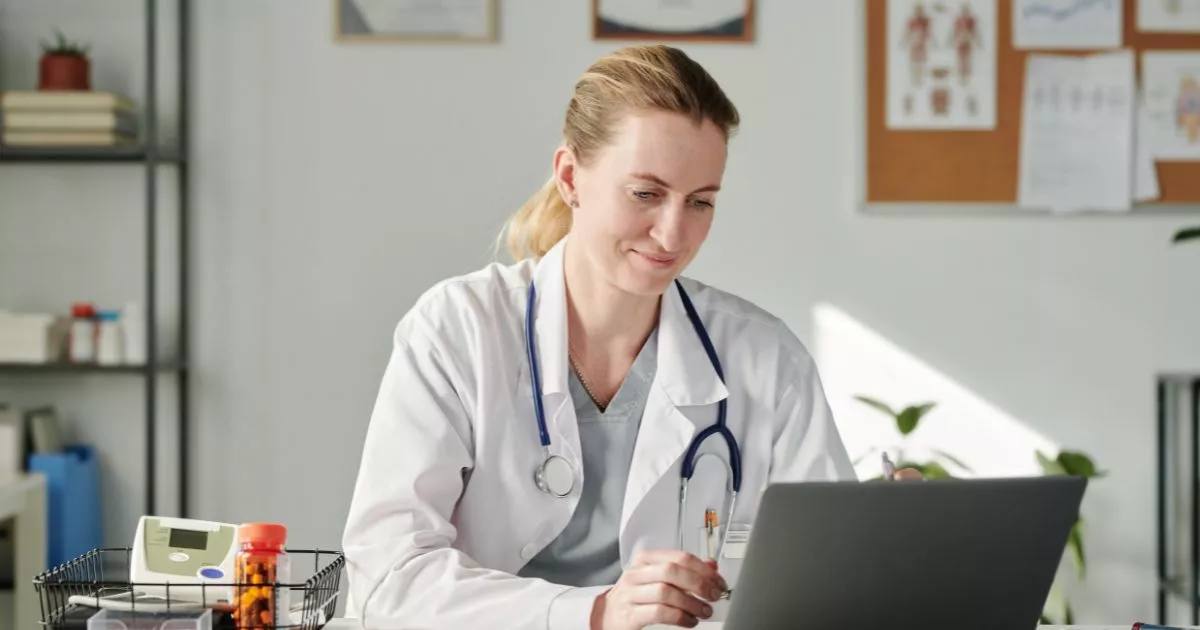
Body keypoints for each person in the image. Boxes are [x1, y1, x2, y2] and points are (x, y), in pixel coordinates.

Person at [341, 45, 916, 630]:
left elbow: (824, 587)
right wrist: (595, 612)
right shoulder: (458, 330)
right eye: (646, 193)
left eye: (700, 202)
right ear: (571, 177)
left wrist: (883, 551)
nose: (672, 234)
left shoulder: (765, 360)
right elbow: (389, 576)